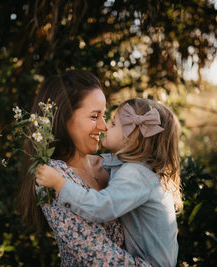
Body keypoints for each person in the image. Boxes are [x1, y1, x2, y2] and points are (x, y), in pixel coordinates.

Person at [18, 70, 152, 266]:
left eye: (104, 116)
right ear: (64, 118)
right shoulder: (53, 178)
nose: (104, 126)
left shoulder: (112, 164)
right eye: (94, 116)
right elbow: (101, 257)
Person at [36, 97, 182, 267]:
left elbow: (101, 207)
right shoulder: (140, 170)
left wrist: (60, 184)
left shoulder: (135, 173)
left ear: (133, 140)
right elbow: (110, 163)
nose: (105, 127)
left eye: (113, 124)